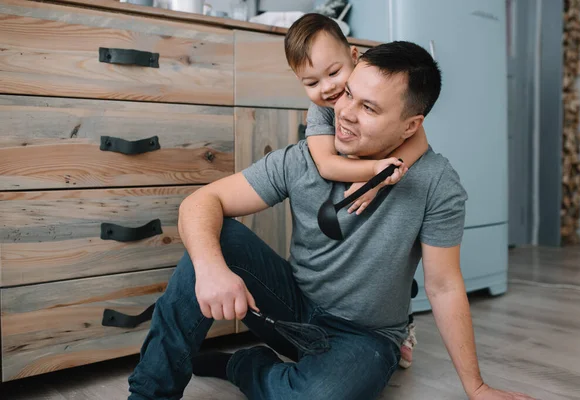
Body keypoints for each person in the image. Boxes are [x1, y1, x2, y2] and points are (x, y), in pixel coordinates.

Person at [127, 40, 535, 400]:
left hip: (364, 336)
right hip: (293, 307)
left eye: (369, 108)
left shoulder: (436, 183)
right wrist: (212, 268)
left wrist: (476, 388)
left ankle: (243, 366)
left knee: (319, 394)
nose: (346, 114)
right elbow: (200, 202)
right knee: (214, 241)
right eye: (348, 95)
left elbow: (444, 285)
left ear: (411, 126)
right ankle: (150, 394)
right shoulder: (305, 157)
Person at [283, 13, 426, 367]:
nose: (328, 89)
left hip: (385, 196)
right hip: (346, 201)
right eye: (311, 82)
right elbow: (327, 165)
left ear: (355, 56)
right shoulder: (319, 114)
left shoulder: (379, 84)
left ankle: (401, 322)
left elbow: (419, 142)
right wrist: (372, 173)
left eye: (334, 74)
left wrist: (378, 181)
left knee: (389, 258)